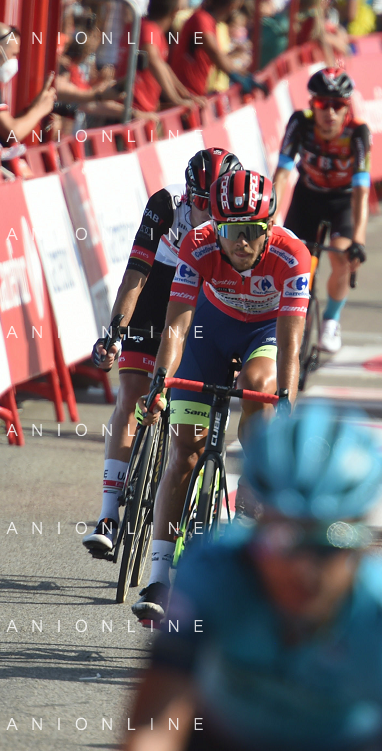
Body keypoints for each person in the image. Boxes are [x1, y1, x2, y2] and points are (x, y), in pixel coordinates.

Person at [123, 402, 382, 751]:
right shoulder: (212, 571)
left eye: (327, 545)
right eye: (283, 540)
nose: (302, 568)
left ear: (369, 544)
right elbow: (153, 724)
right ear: (255, 528)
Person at [133, 170, 311, 621]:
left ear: (269, 227)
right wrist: (159, 383)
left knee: (259, 384)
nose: (242, 243)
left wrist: (285, 403)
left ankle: (255, 470)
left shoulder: (293, 256)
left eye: (252, 231)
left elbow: (290, 347)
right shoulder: (198, 244)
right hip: (208, 331)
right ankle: (158, 577)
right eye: (232, 232)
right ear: (216, 227)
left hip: (265, 333)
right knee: (184, 453)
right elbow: (175, 327)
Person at [82, 148, 242, 556]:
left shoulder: (238, 226)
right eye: (198, 202)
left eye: (213, 205)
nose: (204, 213)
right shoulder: (165, 205)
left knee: (192, 419)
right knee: (131, 393)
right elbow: (135, 276)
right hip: (159, 290)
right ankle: (108, 514)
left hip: (206, 297)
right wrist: (114, 333)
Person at [273, 68, 371, 355]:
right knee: (289, 260)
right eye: (322, 104)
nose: (329, 112)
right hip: (308, 197)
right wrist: (271, 218)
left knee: (341, 257)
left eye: (337, 105)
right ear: (311, 104)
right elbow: (282, 174)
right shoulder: (300, 123)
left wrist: (359, 240)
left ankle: (331, 320)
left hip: (343, 200)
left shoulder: (358, 132)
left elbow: (362, 191)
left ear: (347, 108)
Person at [0, 23, 57, 146]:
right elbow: (12, 133)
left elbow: (4, 128)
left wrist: (33, 106)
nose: (15, 61)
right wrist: (39, 110)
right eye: (13, 55)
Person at [169, 0, 247, 98]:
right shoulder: (202, 19)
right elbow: (213, 52)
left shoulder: (209, 22)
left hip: (195, 92)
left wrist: (243, 75)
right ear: (232, 5)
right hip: (186, 93)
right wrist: (237, 77)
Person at [134, 0, 202, 112]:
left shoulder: (152, 29)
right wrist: (176, 99)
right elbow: (153, 61)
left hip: (143, 108)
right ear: (175, 10)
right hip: (136, 108)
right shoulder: (149, 29)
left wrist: (186, 95)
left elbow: (162, 66)